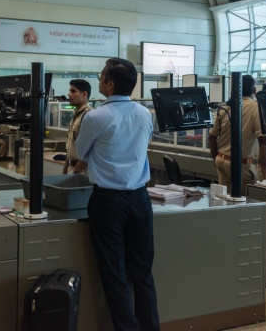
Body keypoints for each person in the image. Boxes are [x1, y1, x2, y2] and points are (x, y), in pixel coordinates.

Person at [75, 58, 159, 331]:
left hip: (109, 202)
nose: (98, 81)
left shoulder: (96, 117)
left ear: (110, 84)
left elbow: (81, 153)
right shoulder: (145, 113)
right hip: (140, 200)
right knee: (143, 273)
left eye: (101, 77)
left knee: (115, 275)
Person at [209, 75, 261, 194]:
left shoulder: (225, 107)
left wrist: (215, 159)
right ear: (254, 90)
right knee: (245, 202)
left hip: (221, 160)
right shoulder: (256, 108)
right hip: (241, 165)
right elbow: (263, 142)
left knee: (224, 199)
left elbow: (212, 137)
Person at [62, 79, 92, 175]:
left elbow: (89, 150)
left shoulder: (89, 116)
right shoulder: (76, 115)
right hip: (72, 167)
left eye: (73, 91)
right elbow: (71, 145)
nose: (69, 94)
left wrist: (76, 171)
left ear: (84, 94)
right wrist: (65, 170)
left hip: (82, 171)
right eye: (69, 91)